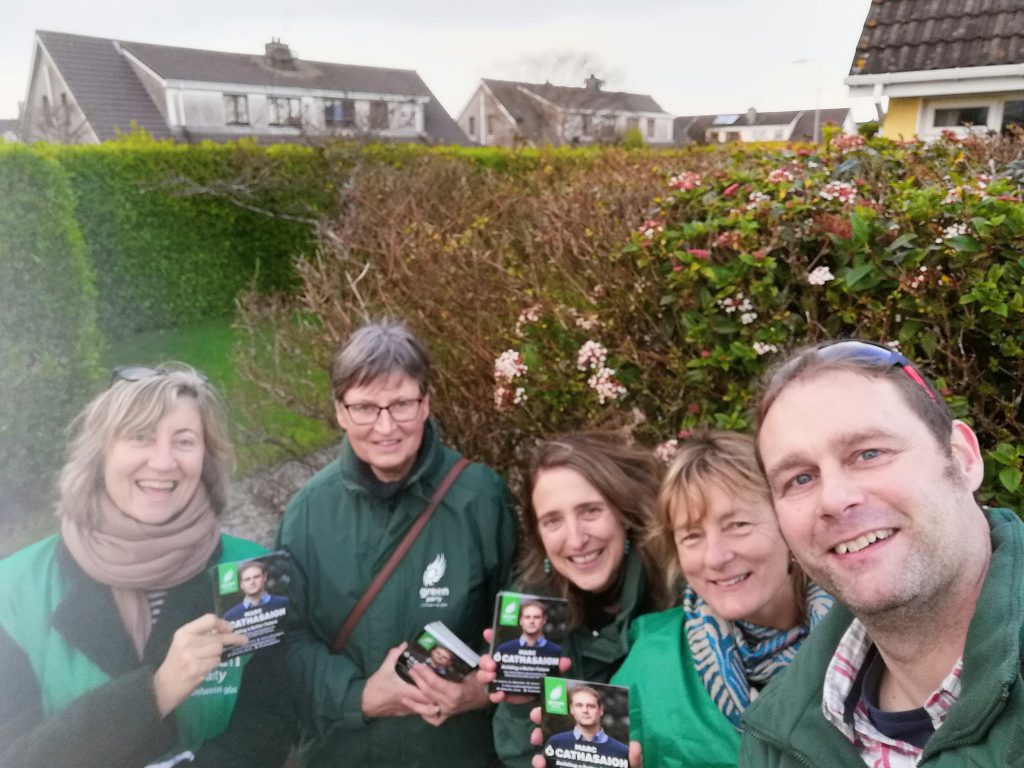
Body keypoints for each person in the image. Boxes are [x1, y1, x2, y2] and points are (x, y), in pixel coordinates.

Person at [739, 340, 1024, 766]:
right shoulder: (774, 743)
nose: (834, 499)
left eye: (869, 453)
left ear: (963, 458)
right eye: (799, 479)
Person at [0, 364, 293, 768]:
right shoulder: (14, 590)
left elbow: (269, 723)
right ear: (101, 453)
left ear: (205, 458)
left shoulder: (248, 568)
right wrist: (158, 688)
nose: (163, 461)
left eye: (184, 441)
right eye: (141, 437)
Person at [277, 319, 517, 767]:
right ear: (340, 412)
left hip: (453, 754)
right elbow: (285, 639)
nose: (385, 426)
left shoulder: (481, 498)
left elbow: (524, 626)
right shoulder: (308, 512)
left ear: (426, 404)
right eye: (366, 407)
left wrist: (480, 689)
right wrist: (359, 695)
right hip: (346, 755)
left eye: (401, 403)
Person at [610, 431, 833, 767]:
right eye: (692, 536)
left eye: (738, 524)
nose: (715, 557)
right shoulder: (650, 662)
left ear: (788, 526)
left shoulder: (864, 641)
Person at [484, 433, 668, 768]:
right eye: (553, 520)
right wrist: (520, 704)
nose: (576, 539)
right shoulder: (531, 606)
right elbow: (519, 756)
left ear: (623, 513)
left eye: (590, 511)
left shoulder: (676, 595)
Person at [545, 686, 628, 761]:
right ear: (571, 709)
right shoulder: (556, 742)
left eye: (591, 706)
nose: (585, 710)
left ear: (601, 710)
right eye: (579, 705)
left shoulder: (622, 751)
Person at [223, 560, 289, 621]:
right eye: (247, 579)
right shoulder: (230, 616)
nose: (252, 582)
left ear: (265, 577)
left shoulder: (284, 603)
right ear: (241, 584)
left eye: (256, 577)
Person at [494, 601, 563, 658]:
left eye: (537, 617)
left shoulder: (556, 651)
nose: (532, 621)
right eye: (527, 617)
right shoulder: (504, 649)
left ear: (544, 620)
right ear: (521, 621)